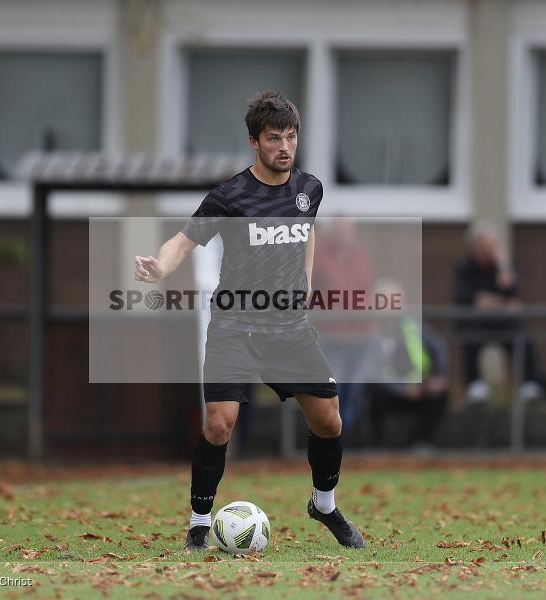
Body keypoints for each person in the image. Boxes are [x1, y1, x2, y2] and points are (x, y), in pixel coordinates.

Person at [134, 91, 364, 551]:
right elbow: (183, 241)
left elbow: (307, 234)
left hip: (289, 329)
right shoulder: (230, 196)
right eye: (274, 137)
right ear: (254, 143)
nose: (285, 146)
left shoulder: (309, 190)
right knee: (219, 423)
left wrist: (306, 284)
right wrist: (161, 267)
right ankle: (200, 524)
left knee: (330, 421)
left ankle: (324, 505)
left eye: (291, 136)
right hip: (235, 327)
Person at [453, 223, 546, 404]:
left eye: (491, 246)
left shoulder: (503, 266)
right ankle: (475, 385)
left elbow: (512, 292)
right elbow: (471, 299)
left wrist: (503, 263)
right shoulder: (465, 268)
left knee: (523, 339)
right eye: (483, 246)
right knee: (470, 339)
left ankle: (528, 383)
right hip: (476, 324)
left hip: (503, 322)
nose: (487, 251)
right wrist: (500, 303)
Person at [311, 216, 378, 440]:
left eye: (348, 231)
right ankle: (329, 441)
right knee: (333, 392)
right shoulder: (318, 255)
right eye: (340, 231)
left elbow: (365, 287)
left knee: (355, 392)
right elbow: (328, 290)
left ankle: (343, 442)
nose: (345, 236)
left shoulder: (360, 255)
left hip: (361, 335)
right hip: (332, 338)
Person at [368, 280, 449, 449]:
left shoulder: (415, 326)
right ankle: (374, 444)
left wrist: (439, 376)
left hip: (419, 388)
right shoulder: (369, 332)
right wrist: (401, 389)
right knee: (368, 389)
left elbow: (438, 346)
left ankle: (419, 443)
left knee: (441, 392)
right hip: (388, 391)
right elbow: (371, 371)